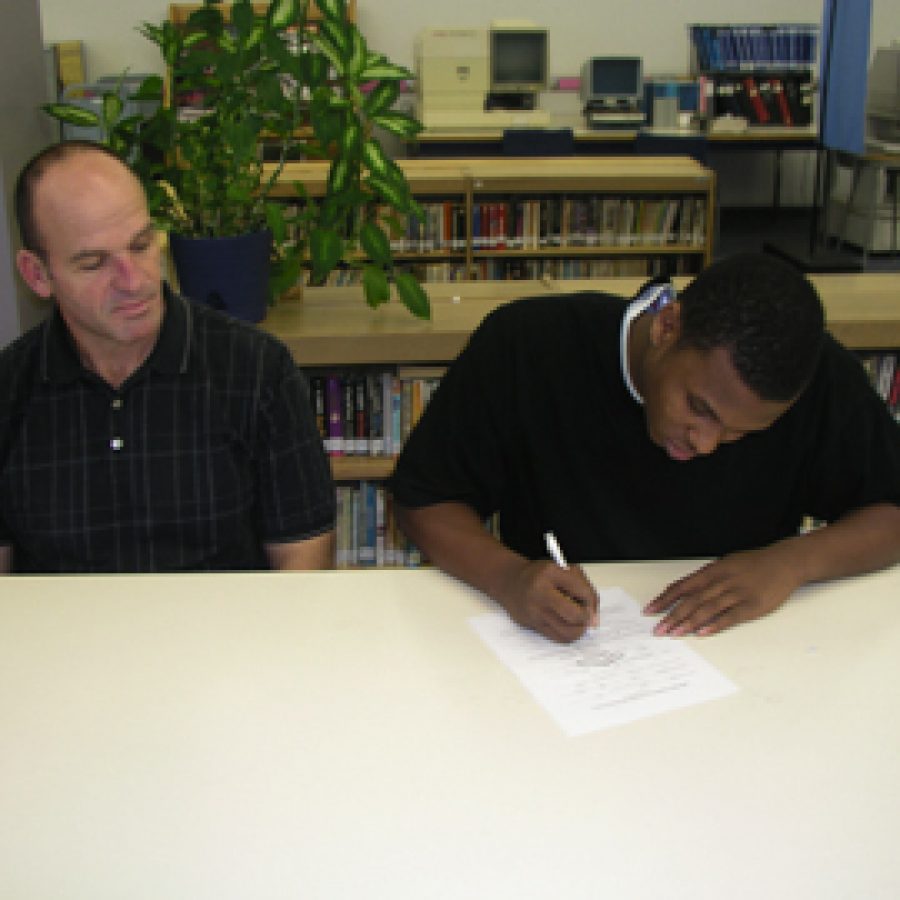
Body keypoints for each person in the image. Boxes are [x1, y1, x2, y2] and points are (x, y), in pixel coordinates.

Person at [388, 253, 900, 643]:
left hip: (746, 650)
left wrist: (790, 564)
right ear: (667, 326)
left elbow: (891, 510)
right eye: (699, 408)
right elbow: (424, 498)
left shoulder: (815, 377)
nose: (706, 444)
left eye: (744, 433)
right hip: (561, 651)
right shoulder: (529, 344)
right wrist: (509, 577)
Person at [0, 140, 335, 573]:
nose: (134, 280)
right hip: (65, 639)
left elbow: (301, 561)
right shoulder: (8, 392)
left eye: (140, 245)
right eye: (94, 263)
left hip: (225, 636)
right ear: (37, 275)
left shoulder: (257, 370)